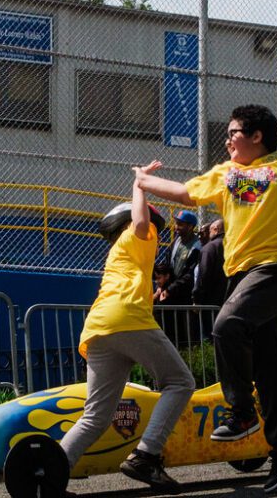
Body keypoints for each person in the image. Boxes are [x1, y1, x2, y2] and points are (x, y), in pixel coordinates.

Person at [134, 87, 277, 493]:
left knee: (227, 325)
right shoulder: (226, 173)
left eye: (233, 133)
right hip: (240, 274)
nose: (227, 141)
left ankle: (241, 412)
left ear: (257, 136)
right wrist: (144, 181)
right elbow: (186, 192)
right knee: (268, 367)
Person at [59, 168, 195, 494]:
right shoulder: (138, 236)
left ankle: (49, 474)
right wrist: (140, 184)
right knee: (180, 382)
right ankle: (146, 455)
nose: (156, 233)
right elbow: (141, 223)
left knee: (95, 416)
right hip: (128, 318)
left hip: (98, 329)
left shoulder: (118, 252)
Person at [157, 210, 201, 306]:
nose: (176, 227)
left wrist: (170, 289)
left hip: (184, 295)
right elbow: (168, 262)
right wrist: (163, 284)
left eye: (180, 224)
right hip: (171, 290)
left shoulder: (197, 247)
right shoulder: (176, 240)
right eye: (176, 223)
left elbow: (190, 275)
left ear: (190, 226)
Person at [192, 218, 226, 307]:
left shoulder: (210, 247)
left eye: (210, 231)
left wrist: (197, 299)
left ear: (215, 230)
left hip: (209, 301)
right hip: (229, 300)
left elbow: (203, 275)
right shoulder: (232, 245)